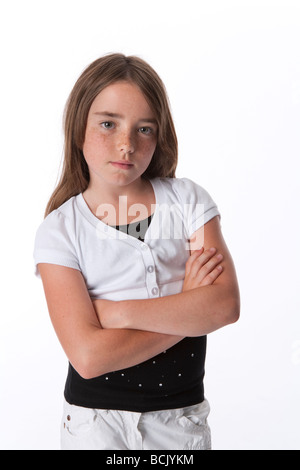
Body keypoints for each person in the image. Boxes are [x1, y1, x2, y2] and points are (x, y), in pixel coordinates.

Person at [33, 53, 240, 450]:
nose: (126, 144)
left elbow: (223, 307)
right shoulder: (59, 231)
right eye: (108, 124)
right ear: (79, 128)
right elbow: (89, 357)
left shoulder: (188, 202)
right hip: (95, 425)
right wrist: (185, 306)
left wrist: (114, 313)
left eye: (144, 129)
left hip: (179, 421)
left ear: (159, 135)